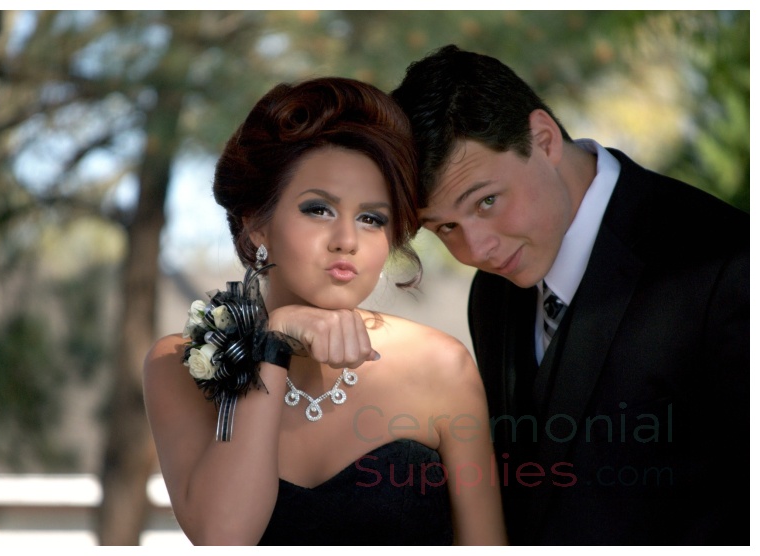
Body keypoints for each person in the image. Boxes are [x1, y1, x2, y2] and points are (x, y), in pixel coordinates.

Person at [391, 44, 748, 545]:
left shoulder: (724, 262)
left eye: (487, 202)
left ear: (543, 138)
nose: (477, 248)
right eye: (445, 227)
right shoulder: (491, 296)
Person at [143, 76, 507, 546]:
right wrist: (271, 346)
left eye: (371, 219)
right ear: (257, 224)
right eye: (319, 209)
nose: (347, 240)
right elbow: (223, 536)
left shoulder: (441, 366)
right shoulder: (177, 366)